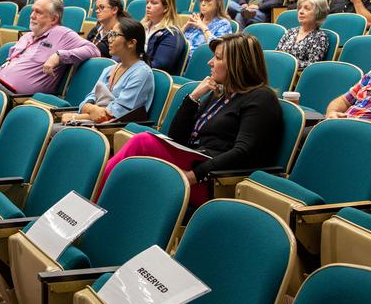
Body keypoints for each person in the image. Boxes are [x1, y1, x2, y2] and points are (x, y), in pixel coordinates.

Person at [99, 33, 281, 206]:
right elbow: (176, 138)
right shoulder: (221, 93)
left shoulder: (261, 98)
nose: (210, 62)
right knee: (135, 172)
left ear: (238, 64)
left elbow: (244, 152)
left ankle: (93, 201)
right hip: (194, 163)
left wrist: (193, 175)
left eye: (217, 58)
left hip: (216, 181)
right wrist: (193, 98)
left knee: (143, 142)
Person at [0, 0, 99, 97]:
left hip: (18, 95)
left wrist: (59, 56)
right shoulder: (27, 36)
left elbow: (93, 50)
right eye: (32, 11)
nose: (32, 16)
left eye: (38, 12)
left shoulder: (62, 33)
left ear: (53, 19)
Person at [60, 17, 154, 126]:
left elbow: (118, 113)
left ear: (131, 43)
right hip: (92, 124)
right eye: (110, 34)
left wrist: (75, 117)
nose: (109, 39)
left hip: (113, 129)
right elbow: (87, 101)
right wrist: (92, 109)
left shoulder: (142, 73)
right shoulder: (109, 69)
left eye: (114, 35)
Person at [276, 0, 331, 70]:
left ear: (318, 13)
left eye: (307, 8)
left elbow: (312, 65)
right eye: (299, 8)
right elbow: (277, 53)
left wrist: (287, 63)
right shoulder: (291, 31)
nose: (301, 11)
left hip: (298, 77)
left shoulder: (320, 37)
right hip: (279, 70)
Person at [143, 0, 186, 72]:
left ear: (166, 8)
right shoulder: (141, 27)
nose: (148, 6)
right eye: (147, 2)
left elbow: (159, 66)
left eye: (153, 3)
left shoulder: (172, 34)